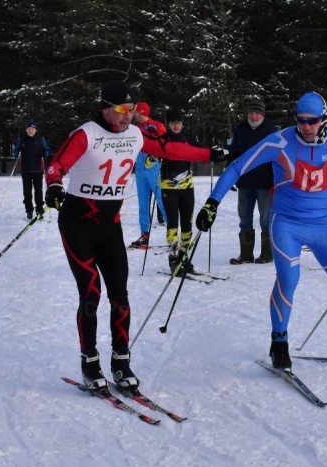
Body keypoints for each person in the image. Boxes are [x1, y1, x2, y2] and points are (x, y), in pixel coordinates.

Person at [44, 80, 227, 391]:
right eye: (121, 110)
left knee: (120, 295)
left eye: (131, 109)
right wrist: (54, 186)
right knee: (90, 294)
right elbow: (57, 165)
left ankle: (121, 361)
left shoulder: (135, 135)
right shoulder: (86, 133)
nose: (128, 115)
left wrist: (210, 153)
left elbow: (172, 148)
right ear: (105, 108)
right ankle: (89, 361)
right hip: (77, 223)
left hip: (109, 225)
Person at [195, 92, 327, 370]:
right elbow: (237, 167)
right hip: (287, 223)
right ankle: (279, 342)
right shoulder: (281, 141)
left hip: (322, 224)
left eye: (311, 121)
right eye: (300, 121)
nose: (305, 126)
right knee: (289, 279)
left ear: (323, 120)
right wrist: (212, 203)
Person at [227, 97, 277, 264]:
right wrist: (230, 171)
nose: (254, 116)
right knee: (244, 218)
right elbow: (234, 152)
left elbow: (278, 157)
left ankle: (267, 254)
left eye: (257, 113)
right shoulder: (240, 129)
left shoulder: (272, 131)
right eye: (251, 112)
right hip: (245, 182)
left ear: (262, 114)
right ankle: (246, 254)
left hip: (265, 183)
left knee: (265, 218)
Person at [159, 108, 199, 275]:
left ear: (183, 123)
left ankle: (184, 256)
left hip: (187, 187)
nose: (176, 126)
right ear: (168, 124)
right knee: (173, 224)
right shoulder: (162, 139)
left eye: (179, 122)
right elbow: (151, 154)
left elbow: (199, 153)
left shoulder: (188, 138)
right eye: (173, 123)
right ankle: (173, 258)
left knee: (187, 224)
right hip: (169, 188)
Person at [128, 101, 168, 249]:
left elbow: (166, 145)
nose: (133, 114)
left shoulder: (157, 126)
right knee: (143, 203)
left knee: (161, 199)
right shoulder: (133, 129)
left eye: (136, 112)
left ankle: (172, 233)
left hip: (154, 167)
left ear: (142, 112)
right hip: (140, 170)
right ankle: (144, 235)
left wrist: (157, 155)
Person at [13, 120, 51, 220]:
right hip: (25, 169)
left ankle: (39, 210)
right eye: (29, 129)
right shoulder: (22, 139)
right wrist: (16, 152)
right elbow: (15, 150)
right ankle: (29, 210)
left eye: (32, 129)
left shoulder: (40, 139)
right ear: (26, 130)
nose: (30, 131)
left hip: (38, 169)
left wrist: (45, 153)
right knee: (27, 192)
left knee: (38, 191)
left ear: (35, 130)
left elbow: (47, 149)